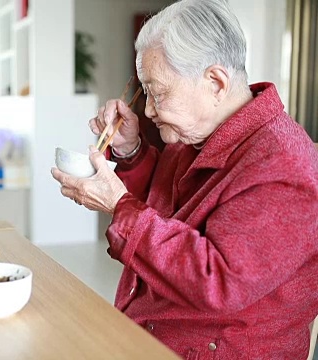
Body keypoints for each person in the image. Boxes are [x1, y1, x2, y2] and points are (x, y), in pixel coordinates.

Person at [51, 0, 318, 358]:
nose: (147, 109)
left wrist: (119, 205)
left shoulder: (284, 167)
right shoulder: (198, 133)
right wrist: (131, 151)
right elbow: (167, 210)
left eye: (158, 92)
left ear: (215, 82)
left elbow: (217, 282)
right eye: (145, 91)